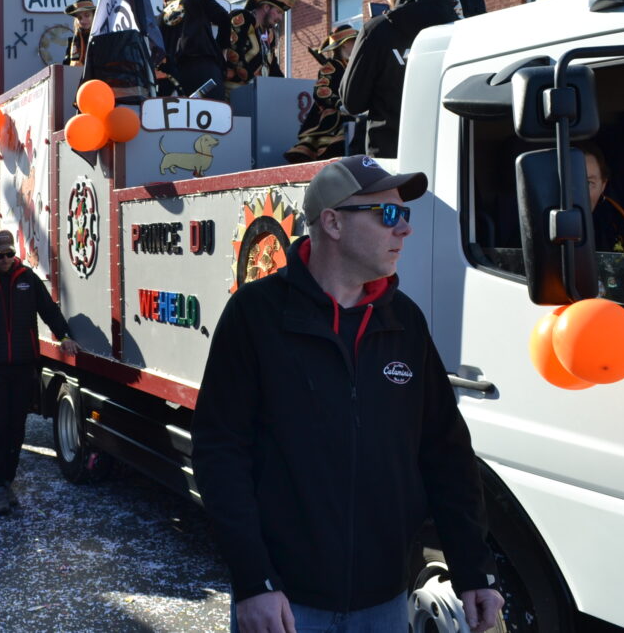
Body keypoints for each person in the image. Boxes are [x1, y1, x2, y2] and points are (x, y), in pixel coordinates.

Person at [192, 155, 503, 633]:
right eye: (388, 214)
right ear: (333, 223)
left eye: (405, 214)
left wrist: (473, 568)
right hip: (286, 605)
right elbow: (220, 453)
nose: (404, 229)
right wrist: (254, 581)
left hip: (385, 602)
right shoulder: (256, 315)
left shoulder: (404, 321)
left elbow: (446, 452)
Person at [0, 229, 78, 514]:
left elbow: (48, 310)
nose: (6, 259)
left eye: (10, 254)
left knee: (16, 428)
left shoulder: (27, 278)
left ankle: (6, 480)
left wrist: (64, 335)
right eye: (0, 255)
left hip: (24, 365)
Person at [339, 0, 459, 158]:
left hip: (393, 161)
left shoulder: (377, 31)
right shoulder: (462, 26)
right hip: (452, 158)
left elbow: (352, 102)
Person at [284, 24, 361, 163]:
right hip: (335, 115)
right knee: (336, 146)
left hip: (355, 113)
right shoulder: (331, 67)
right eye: (353, 40)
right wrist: (340, 104)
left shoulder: (355, 66)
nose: (357, 43)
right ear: (344, 44)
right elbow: (321, 91)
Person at [157, 0, 232, 99]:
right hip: (206, 68)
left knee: (186, 111)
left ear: (165, 2)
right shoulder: (197, 0)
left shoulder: (159, 19)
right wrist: (221, 48)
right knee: (213, 108)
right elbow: (224, 18)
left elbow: (160, 55)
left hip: (178, 76)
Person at [225, 0, 298, 95]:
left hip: (257, 94)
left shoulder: (269, 35)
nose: (280, 18)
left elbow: (273, 68)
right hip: (232, 93)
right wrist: (252, 81)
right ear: (266, 7)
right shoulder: (243, 18)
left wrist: (288, 88)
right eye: (279, 12)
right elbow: (233, 53)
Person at [63, 0, 94, 67]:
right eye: (79, 18)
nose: (82, 21)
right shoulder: (73, 41)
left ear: (94, 16)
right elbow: (66, 66)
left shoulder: (102, 38)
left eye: (87, 15)